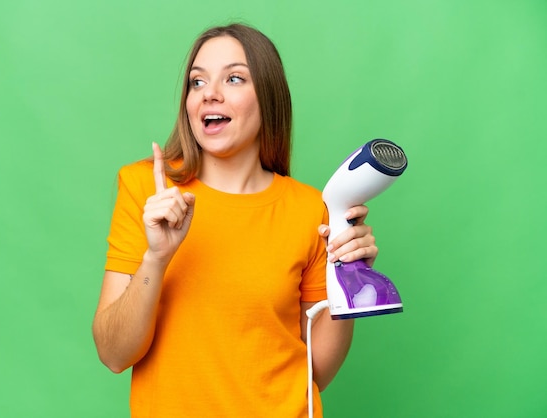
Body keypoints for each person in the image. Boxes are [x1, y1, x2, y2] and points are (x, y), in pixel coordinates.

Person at [92, 23, 379, 417]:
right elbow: (113, 353)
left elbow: (312, 371)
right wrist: (156, 259)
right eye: (197, 82)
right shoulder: (147, 190)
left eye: (234, 78)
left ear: (268, 97)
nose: (210, 93)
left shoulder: (312, 210)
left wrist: (348, 275)